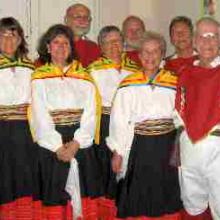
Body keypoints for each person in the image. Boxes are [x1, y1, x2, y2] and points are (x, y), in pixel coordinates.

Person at [106, 31, 182, 219]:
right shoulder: (128, 84)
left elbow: (181, 116)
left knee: (165, 189)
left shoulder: (174, 82)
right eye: (145, 52)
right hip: (140, 145)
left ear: (162, 54)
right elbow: (119, 120)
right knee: (139, 189)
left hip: (167, 145)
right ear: (139, 55)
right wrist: (118, 152)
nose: (150, 56)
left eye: (155, 51)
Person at [30, 24, 102, 220]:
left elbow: (91, 113)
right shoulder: (38, 77)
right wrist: (58, 147)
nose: (61, 47)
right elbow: (39, 114)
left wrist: (77, 143)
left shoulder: (85, 77)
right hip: (52, 146)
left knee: (83, 198)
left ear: (71, 47)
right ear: (48, 47)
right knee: (55, 196)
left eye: (65, 43)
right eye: (56, 42)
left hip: (80, 144)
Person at [87, 25, 139, 219]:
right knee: (106, 170)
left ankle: (125, 210)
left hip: (129, 125)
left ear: (123, 43)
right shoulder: (92, 70)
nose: (114, 45)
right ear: (101, 46)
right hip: (104, 123)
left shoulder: (135, 69)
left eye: (117, 40)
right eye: (108, 42)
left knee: (128, 169)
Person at [175, 17, 220, 220]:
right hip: (190, 149)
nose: (207, 42)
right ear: (194, 41)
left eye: (213, 36)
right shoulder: (185, 72)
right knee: (193, 205)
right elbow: (178, 113)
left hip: (217, 149)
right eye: (202, 36)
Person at [0, 17, 37, 220]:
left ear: (20, 39)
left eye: (13, 35)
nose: (8, 40)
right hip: (2, 129)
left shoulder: (30, 67)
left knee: (25, 174)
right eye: (3, 35)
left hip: (25, 129)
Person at [64, 3, 101, 67]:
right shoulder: (57, 44)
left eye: (86, 17)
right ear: (66, 20)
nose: (83, 21)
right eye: (78, 17)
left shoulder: (93, 47)